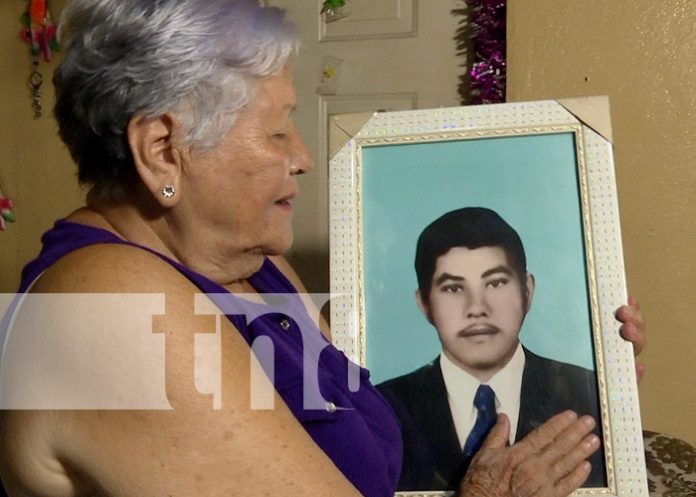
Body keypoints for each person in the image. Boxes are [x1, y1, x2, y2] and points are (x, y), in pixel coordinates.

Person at [0, 2, 645, 497]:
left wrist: (590, 371)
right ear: (162, 150)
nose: (303, 157)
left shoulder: (251, 266)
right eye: (276, 129)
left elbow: (362, 432)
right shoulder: (111, 308)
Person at [377, 207, 639, 491]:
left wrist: (617, 382)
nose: (477, 308)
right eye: (453, 288)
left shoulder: (591, 392)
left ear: (527, 291)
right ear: (425, 304)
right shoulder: (381, 408)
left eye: (496, 282)